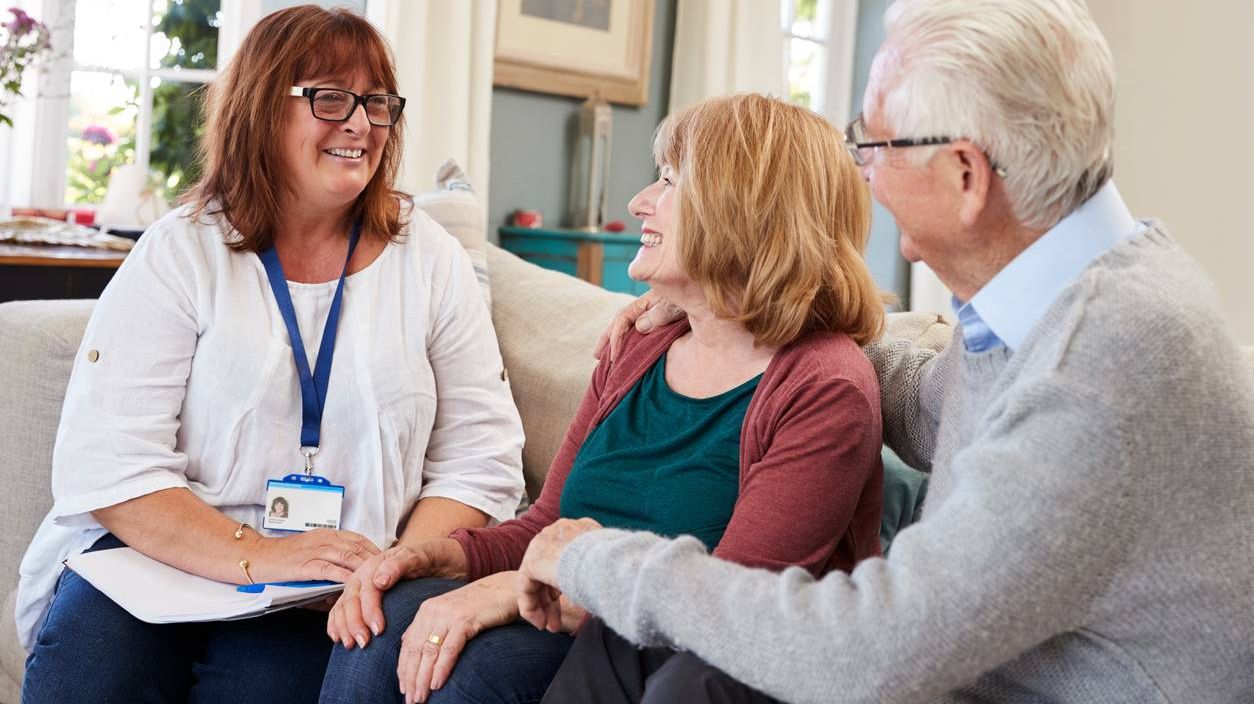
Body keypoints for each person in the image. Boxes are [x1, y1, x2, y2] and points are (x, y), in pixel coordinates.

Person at [516, 1, 1254, 702]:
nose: (860, 174)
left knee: (692, 663)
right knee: (644, 645)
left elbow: (866, 652)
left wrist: (591, 557)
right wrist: (732, 309)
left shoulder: (1105, 366)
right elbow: (930, 408)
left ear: (966, 176)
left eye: (873, 145)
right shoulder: (1053, 306)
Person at [18, 7, 525, 703]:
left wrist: (394, 565)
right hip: (154, 562)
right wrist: (256, 555)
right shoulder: (181, 251)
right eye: (330, 97)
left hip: (329, 587)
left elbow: (481, 459)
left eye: (377, 102)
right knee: (93, 670)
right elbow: (111, 462)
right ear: (261, 110)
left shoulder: (428, 259)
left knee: (267, 685)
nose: (360, 123)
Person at [318, 93, 888, 704]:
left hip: (683, 659)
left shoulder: (823, 386)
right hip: (581, 619)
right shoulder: (639, 346)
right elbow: (545, 523)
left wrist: (515, 589)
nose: (639, 202)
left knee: (475, 673)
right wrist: (436, 557)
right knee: (386, 617)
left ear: (745, 211)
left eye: (668, 182)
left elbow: (729, 611)